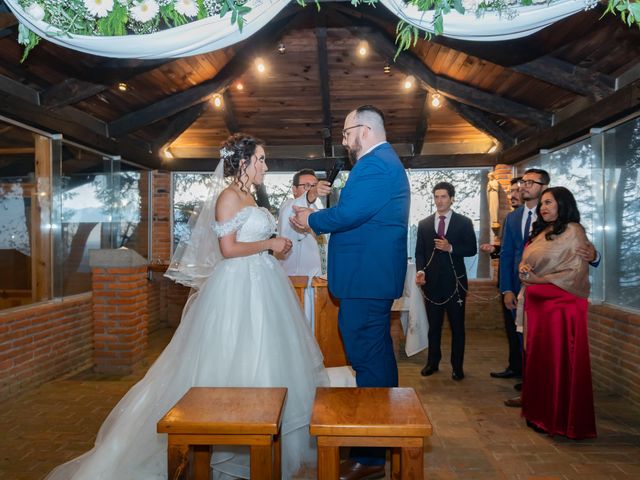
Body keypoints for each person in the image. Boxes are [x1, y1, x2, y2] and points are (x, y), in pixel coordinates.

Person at [44, 133, 351, 480]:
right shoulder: (227, 198)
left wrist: (276, 246)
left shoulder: (250, 196)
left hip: (264, 284)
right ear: (244, 162)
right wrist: (270, 243)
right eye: (261, 159)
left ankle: (264, 438)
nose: (265, 165)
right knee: (232, 356)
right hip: (238, 287)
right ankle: (224, 435)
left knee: (266, 353)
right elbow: (228, 249)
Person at [291, 105, 410, 480]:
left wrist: (310, 219)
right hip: (367, 278)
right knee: (371, 357)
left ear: (366, 130)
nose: (344, 140)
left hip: (367, 278)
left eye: (346, 133)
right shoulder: (382, 162)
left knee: (369, 359)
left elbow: (349, 215)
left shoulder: (375, 164)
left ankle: (371, 456)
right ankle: (373, 439)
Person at [499, 168, 598, 408]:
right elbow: (509, 254)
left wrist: (595, 256)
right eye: (522, 181)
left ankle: (542, 394)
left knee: (550, 351)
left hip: (557, 299)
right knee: (526, 343)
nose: (523, 186)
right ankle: (530, 389)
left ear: (545, 186)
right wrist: (507, 289)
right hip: (524, 291)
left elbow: (579, 252)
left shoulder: (566, 223)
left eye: (530, 182)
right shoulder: (515, 218)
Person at [518, 186, 596, 439]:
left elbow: (575, 269)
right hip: (539, 307)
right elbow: (529, 261)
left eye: (549, 202)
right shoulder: (541, 231)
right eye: (542, 204)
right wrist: (524, 268)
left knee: (558, 362)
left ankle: (559, 419)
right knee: (539, 361)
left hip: (561, 308)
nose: (544, 207)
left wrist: (538, 280)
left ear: (563, 204)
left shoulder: (573, 230)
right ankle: (537, 412)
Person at [415, 182, 477, 381]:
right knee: (433, 326)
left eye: (443, 196)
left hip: (456, 284)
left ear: (451, 198)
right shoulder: (424, 224)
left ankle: (457, 367)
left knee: (457, 326)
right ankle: (432, 362)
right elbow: (420, 253)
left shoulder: (464, 222)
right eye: (436, 197)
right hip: (431, 284)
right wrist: (420, 271)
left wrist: (451, 248)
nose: (439, 200)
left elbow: (471, 249)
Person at [480, 176, 523, 380]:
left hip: (531, 285)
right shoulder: (512, 218)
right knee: (512, 330)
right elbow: (509, 251)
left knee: (527, 334)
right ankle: (515, 367)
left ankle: (529, 376)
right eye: (512, 190)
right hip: (510, 285)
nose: (513, 195)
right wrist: (495, 249)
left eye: (517, 190)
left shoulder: (540, 218)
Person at [277, 168, 329, 276]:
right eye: (307, 186)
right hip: (297, 279)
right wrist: (313, 192)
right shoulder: (288, 207)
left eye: (314, 185)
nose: (311, 189)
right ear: (294, 189)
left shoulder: (316, 210)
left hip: (318, 277)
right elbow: (298, 207)